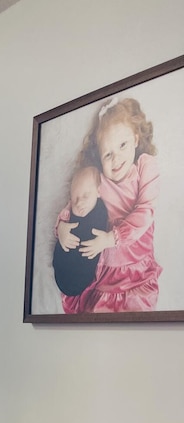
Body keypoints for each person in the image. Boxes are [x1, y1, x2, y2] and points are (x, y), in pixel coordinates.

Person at [56, 96, 162, 313]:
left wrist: (112, 238)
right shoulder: (98, 180)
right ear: (99, 157)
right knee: (97, 320)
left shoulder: (145, 167)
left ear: (134, 138)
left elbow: (146, 210)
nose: (116, 159)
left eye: (122, 145)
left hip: (137, 272)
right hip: (105, 273)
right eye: (108, 154)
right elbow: (77, 203)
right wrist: (61, 227)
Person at [52, 166, 109, 296]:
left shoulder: (103, 210)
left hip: (85, 273)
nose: (79, 203)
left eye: (85, 195)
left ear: (98, 191)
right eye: (75, 198)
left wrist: (104, 242)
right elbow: (61, 219)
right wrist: (61, 230)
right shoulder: (70, 211)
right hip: (63, 266)